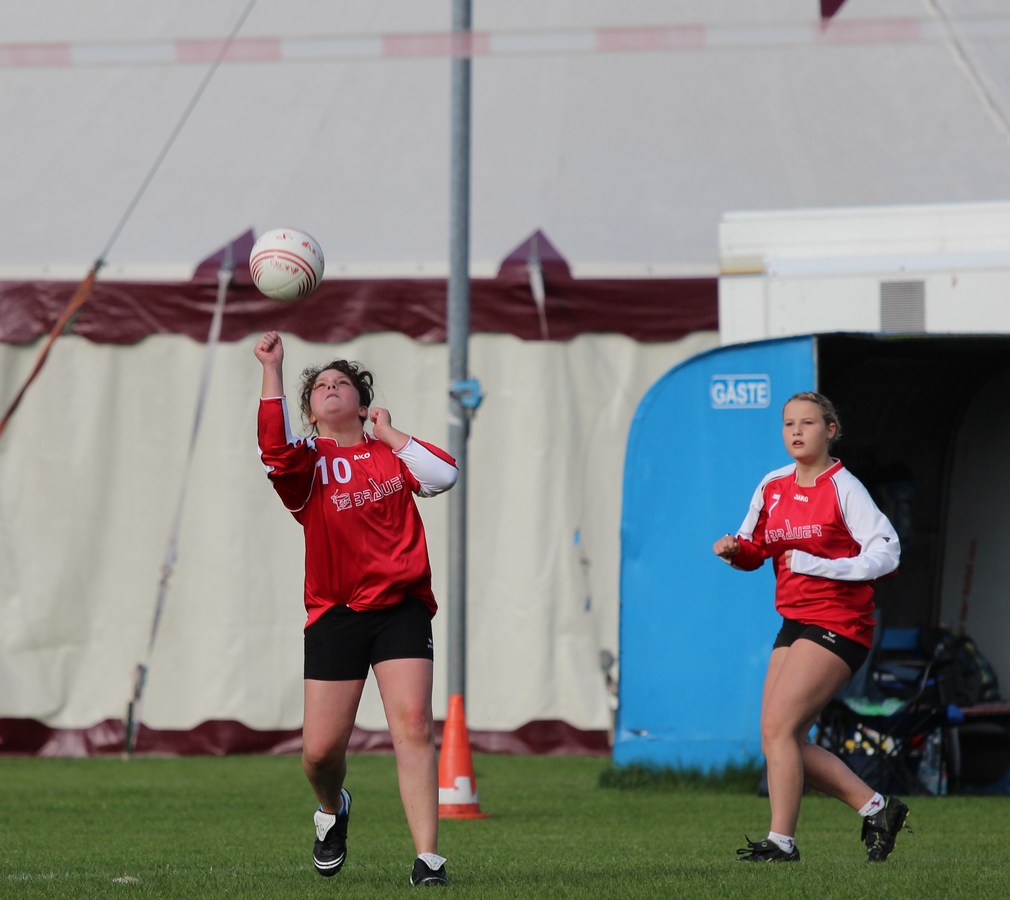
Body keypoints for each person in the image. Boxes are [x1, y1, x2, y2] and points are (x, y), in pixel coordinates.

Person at [254, 330, 458, 886]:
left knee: (413, 725)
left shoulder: (390, 454)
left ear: (362, 404)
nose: (331, 388)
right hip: (336, 613)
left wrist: (389, 433)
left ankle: (428, 860)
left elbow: (444, 474)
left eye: (342, 383)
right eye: (320, 385)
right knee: (320, 754)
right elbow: (273, 449)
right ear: (310, 412)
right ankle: (332, 807)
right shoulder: (306, 463)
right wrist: (273, 368)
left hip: (401, 608)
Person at [712, 391, 907, 864]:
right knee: (779, 738)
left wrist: (824, 566)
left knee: (779, 728)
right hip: (794, 621)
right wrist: (736, 551)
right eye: (789, 424)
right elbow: (755, 548)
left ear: (830, 430)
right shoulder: (772, 485)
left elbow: (887, 553)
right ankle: (878, 809)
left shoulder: (845, 488)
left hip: (840, 621)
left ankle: (782, 842)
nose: (797, 432)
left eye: (808, 423)